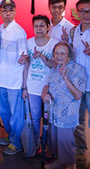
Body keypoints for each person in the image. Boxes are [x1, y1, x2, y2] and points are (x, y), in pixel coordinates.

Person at [65, 0, 90, 169]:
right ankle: (80, 150)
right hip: (76, 85)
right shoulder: (73, 31)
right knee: (77, 121)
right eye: (82, 11)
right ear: (77, 12)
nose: (86, 15)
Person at [41, 42, 86, 169]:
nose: (58, 56)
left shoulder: (78, 70)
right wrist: (43, 95)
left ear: (69, 56)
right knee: (55, 140)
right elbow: (46, 86)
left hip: (67, 114)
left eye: (62, 53)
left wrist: (65, 78)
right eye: (56, 53)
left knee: (66, 142)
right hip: (53, 113)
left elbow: (78, 95)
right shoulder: (54, 70)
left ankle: (70, 165)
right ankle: (60, 161)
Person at [22, 15, 59, 152]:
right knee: (36, 117)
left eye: (42, 25)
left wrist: (43, 57)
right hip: (33, 87)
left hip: (50, 88)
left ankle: (48, 144)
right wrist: (24, 87)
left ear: (48, 27)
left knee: (50, 119)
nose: (39, 28)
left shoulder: (55, 43)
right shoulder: (29, 42)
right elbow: (26, 66)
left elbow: (55, 65)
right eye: (36, 26)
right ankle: (36, 143)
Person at [0, 0, 27, 155]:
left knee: (16, 114)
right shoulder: (0, 28)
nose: (8, 13)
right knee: (4, 112)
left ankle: (17, 142)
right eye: (5, 10)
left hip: (14, 81)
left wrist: (24, 85)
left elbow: (24, 57)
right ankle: (10, 136)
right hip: (0, 79)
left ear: (15, 11)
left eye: (11, 10)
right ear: (0, 11)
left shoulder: (19, 31)